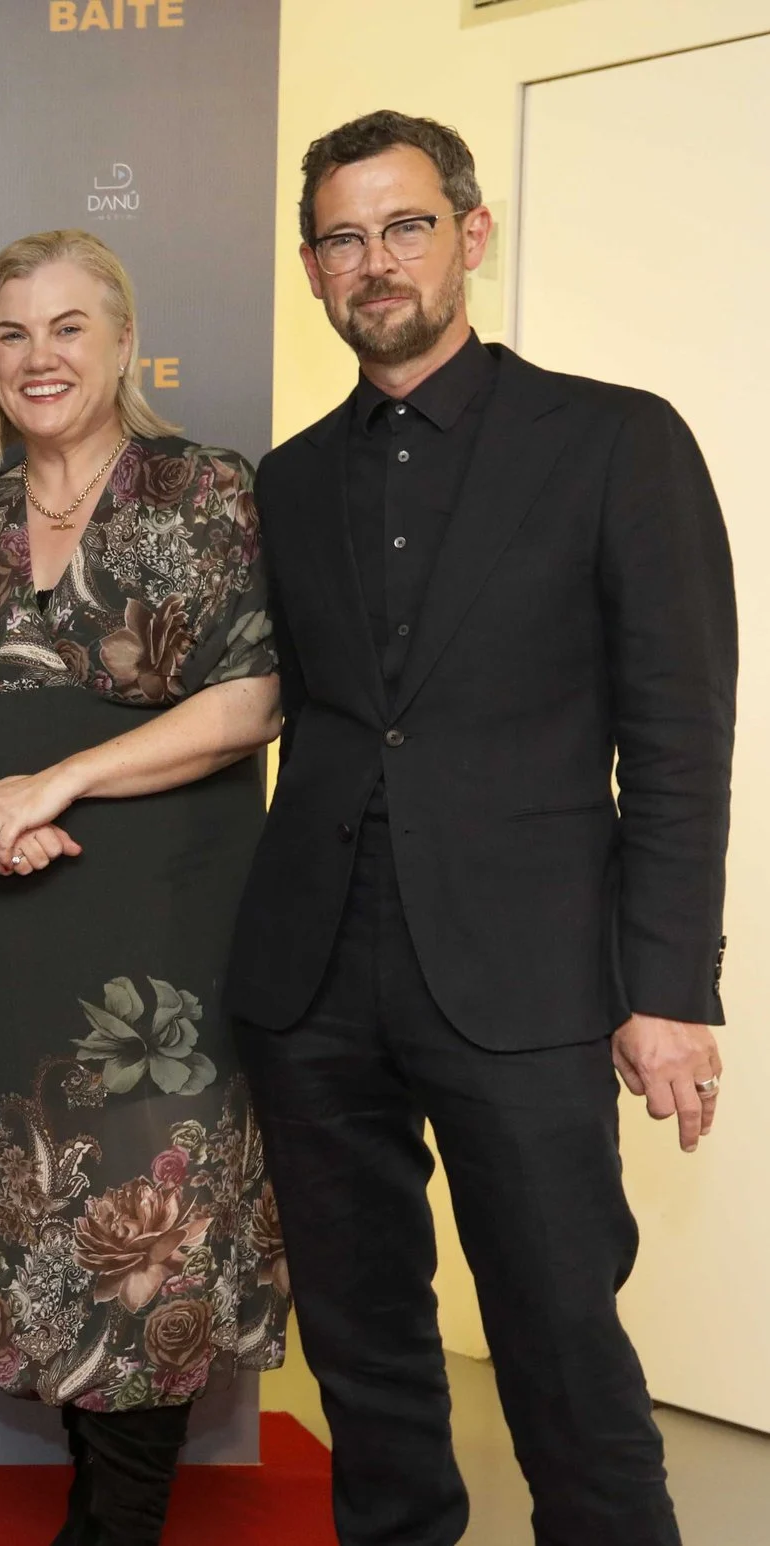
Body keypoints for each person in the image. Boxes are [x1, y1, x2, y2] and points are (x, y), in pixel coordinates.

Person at [232, 111, 735, 1546]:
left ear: (471, 234)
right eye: (342, 237)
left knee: (563, 1342)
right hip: (312, 976)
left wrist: (666, 991)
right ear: (314, 270)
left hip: (529, 975)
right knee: (363, 1348)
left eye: (403, 226)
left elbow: (683, 739)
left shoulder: (618, 442)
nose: (374, 262)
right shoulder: (290, 476)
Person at [0, 231, 287, 1545]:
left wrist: (57, 781)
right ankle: (93, 1498)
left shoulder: (201, 488)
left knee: (146, 1228)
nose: (38, 357)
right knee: (38, 1230)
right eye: (11, 332)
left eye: (67, 327)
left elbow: (252, 695)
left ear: (122, 342)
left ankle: (120, 1522)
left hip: (159, 951)